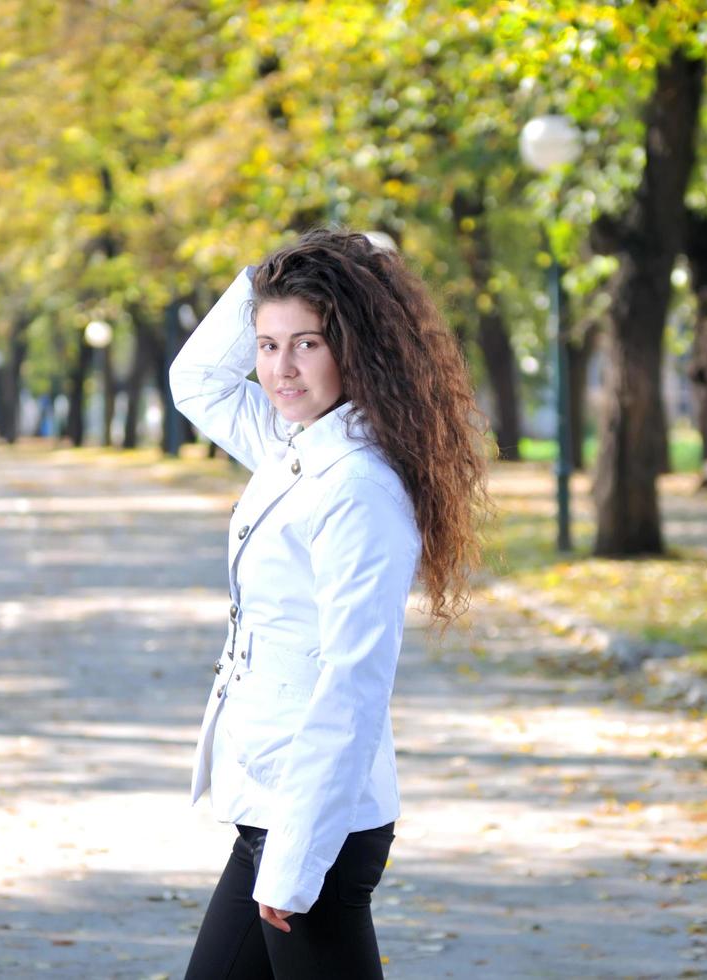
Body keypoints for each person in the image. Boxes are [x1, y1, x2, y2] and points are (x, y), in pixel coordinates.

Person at [171, 230, 488, 978]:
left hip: (313, 821)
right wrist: (280, 268)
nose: (280, 369)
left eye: (306, 343)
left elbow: (353, 679)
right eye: (267, 344)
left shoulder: (356, 486)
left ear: (355, 346)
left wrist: (295, 860)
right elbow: (197, 380)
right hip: (272, 808)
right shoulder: (298, 446)